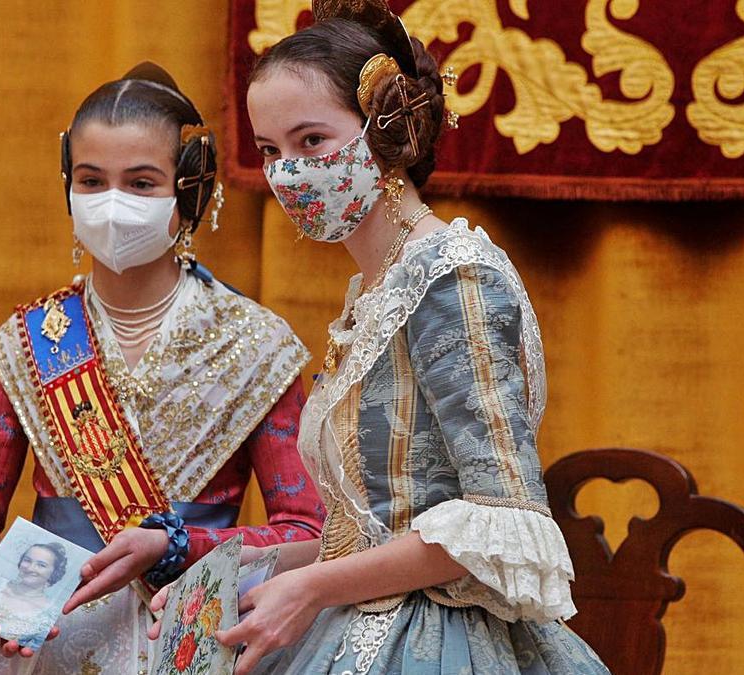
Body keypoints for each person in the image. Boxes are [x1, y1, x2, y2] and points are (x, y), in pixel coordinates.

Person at [149, 2, 611, 673]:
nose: (287, 174)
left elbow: (504, 519)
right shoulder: (377, 290)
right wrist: (255, 568)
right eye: (270, 151)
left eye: (311, 142)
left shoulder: (453, 278)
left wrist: (309, 588)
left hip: (443, 644)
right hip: (361, 625)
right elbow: (379, 528)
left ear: (385, 132)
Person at [0, 62, 324, 675]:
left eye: (140, 183)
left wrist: (179, 546)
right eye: (91, 180)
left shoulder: (257, 343)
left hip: (188, 637)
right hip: (39, 643)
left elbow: (307, 533)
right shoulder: (28, 342)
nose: (112, 204)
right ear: (66, 186)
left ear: (187, 191)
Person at [0, 544, 67, 649]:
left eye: (41, 565)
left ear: (54, 572)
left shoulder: (48, 613)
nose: (30, 568)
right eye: (27, 560)